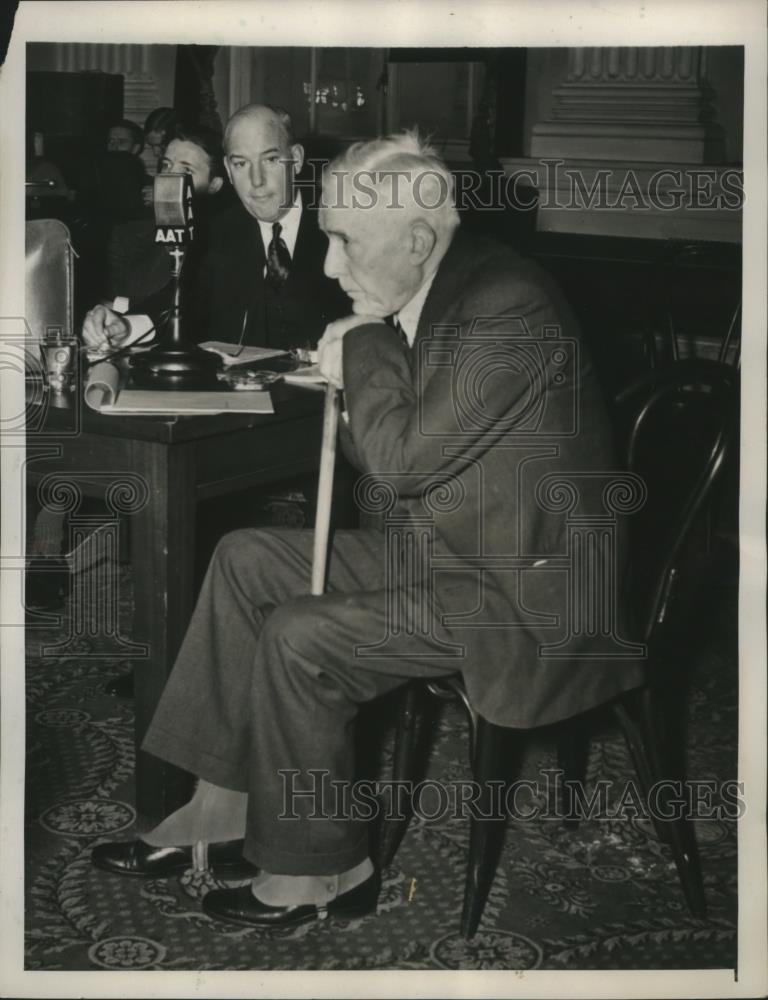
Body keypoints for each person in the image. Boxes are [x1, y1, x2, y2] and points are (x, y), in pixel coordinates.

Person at [90, 131, 644, 928]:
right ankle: (222, 803)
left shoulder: (503, 304)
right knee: (247, 558)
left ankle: (325, 869)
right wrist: (358, 364)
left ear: (417, 239)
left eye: (345, 242)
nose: (327, 266)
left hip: (525, 603)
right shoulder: (444, 287)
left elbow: (402, 465)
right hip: (455, 554)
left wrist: (367, 347)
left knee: (300, 634)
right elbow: (387, 454)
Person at [82, 103, 349, 355]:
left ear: (296, 159)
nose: (257, 181)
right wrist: (125, 327)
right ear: (230, 174)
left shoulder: (344, 226)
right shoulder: (218, 232)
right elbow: (180, 299)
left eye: (270, 160)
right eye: (241, 164)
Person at [105, 123, 228, 305]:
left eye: (187, 170)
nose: (170, 176)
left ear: (214, 185)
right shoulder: (127, 237)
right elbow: (113, 304)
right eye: (166, 165)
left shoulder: (227, 244)